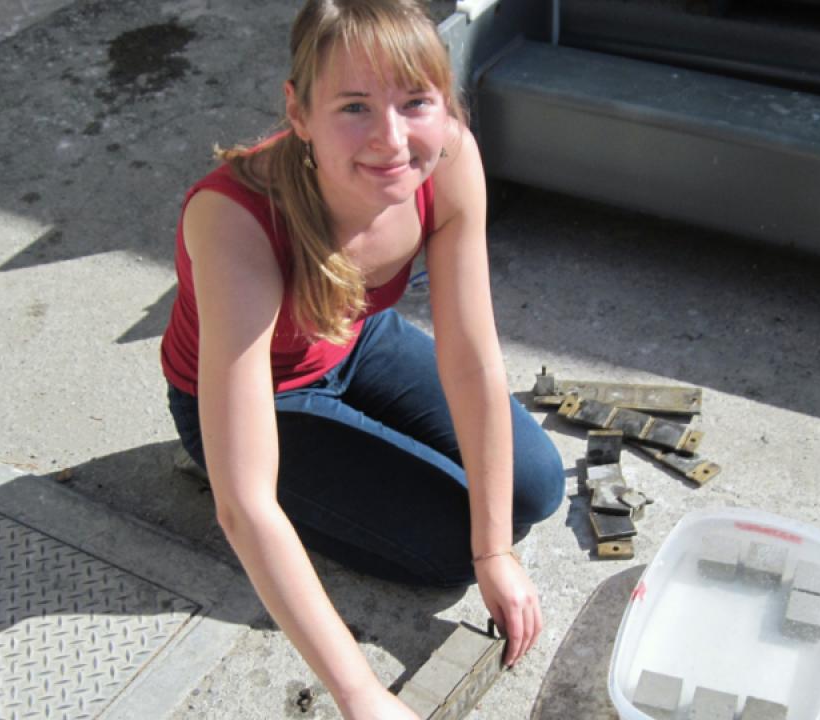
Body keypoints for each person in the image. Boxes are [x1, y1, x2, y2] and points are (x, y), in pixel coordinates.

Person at [158, 0, 565, 716]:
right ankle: (219, 454)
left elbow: (471, 358)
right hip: (260, 397)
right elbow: (244, 504)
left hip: (358, 340)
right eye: (353, 106)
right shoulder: (235, 219)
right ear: (299, 112)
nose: (391, 139)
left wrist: (497, 552)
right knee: (443, 552)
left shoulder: (451, 157)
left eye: (416, 103)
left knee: (533, 488)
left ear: (446, 103)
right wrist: (361, 694)